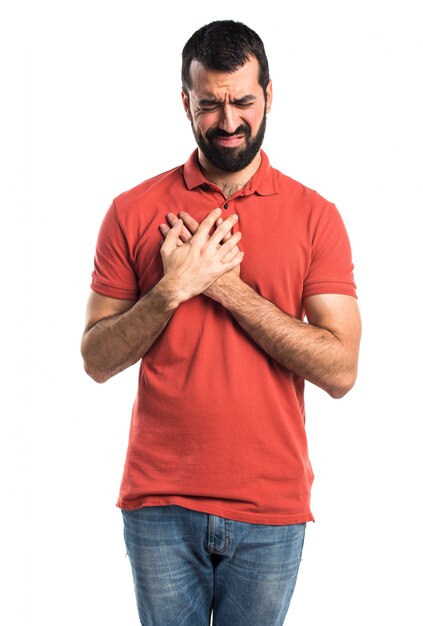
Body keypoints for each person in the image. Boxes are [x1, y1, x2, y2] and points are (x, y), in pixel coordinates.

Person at [81, 19, 361, 626]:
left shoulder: (317, 217)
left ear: (269, 96)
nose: (228, 120)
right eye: (210, 103)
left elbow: (341, 371)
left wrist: (226, 290)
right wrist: (172, 288)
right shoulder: (132, 212)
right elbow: (96, 360)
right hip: (160, 503)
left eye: (243, 101)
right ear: (186, 102)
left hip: (272, 506)